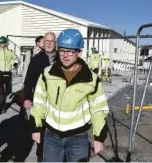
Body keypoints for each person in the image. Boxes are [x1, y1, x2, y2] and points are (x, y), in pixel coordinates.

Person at [30, 29, 109, 162]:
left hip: (78, 138)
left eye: (70, 51)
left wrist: (98, 138)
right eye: (62, 50)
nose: (65, 55)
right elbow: (39, 101)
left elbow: (98, 109)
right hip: (51, 136)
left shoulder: (91, 79)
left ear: (79, 52)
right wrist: (36, 127)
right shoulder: (47, 74)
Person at [22, 32, 57, 161]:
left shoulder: (61, 58)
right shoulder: (37, 59)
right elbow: (29, 80)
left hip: (57, 103)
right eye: (46, 41)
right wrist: (27, 97)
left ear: (55, 43)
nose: (48, 43)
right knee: (40, 132)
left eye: (51, 41)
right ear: (43, 43)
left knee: (55, 131)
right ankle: (41, 157)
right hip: (41, 101)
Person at [0, 36, 19, 111]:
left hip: (7, 73)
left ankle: (4, 105)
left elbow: (16, 59)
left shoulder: (10, 52)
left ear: (6, 43)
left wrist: (14, 65)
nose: (1, 45)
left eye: (3, 43)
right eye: (0, 43)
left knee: (8, 91)